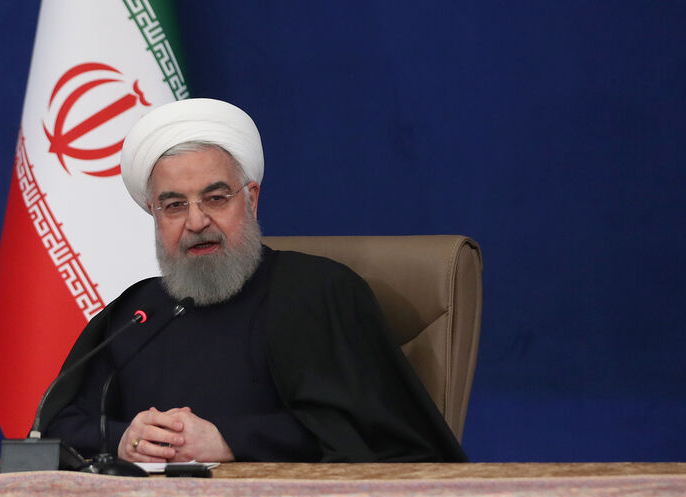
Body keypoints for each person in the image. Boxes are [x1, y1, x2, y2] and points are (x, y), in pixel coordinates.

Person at [41, 98, 467, 463]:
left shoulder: (320, 293)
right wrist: (121, 439)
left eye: (215, 198)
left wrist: (229, 441)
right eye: (174, 206)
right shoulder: (138, 315)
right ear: (155, 215)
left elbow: (380, 437)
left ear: (251, 199)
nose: (196, 222)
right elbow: (55, 430)